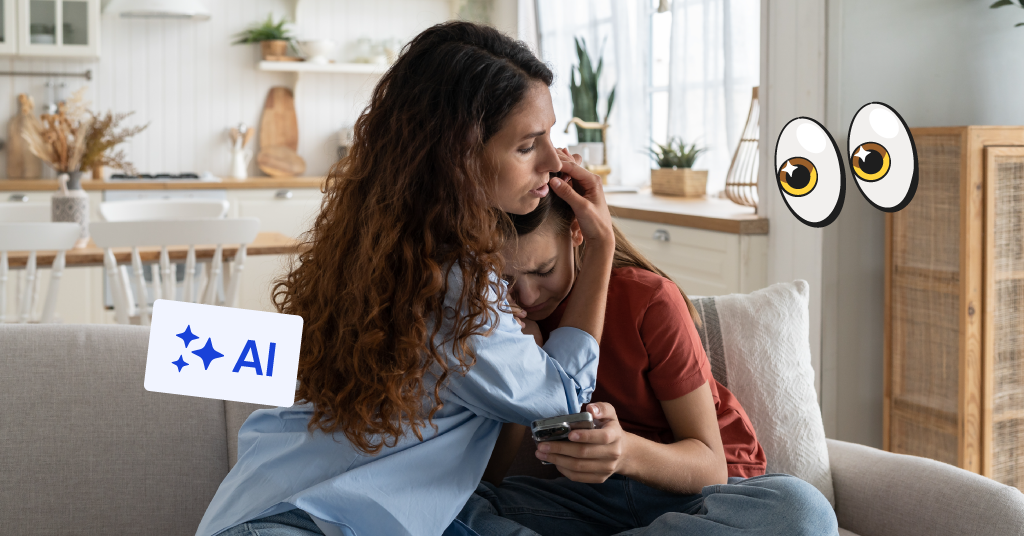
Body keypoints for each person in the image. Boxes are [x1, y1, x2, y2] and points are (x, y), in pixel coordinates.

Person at [196, 21, 616, 536]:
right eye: (528, 145)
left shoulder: (382, 246)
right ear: (461, 156)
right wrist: (601, 251)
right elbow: (565, 403)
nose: (553, 161)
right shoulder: (456, 281)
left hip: (269, 510)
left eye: (550, 136)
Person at [454, 192, 839, 536]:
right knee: (451, 510)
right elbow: (491, 475)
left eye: (543, 271)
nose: (528, 294)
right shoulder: (499, 320)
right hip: (589, 501)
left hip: (699, 499)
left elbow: (710, 466)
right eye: (503, 278)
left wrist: (624, 451)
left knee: (801, 509)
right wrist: (522, 358)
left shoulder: (648, 299)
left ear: (576, 233)